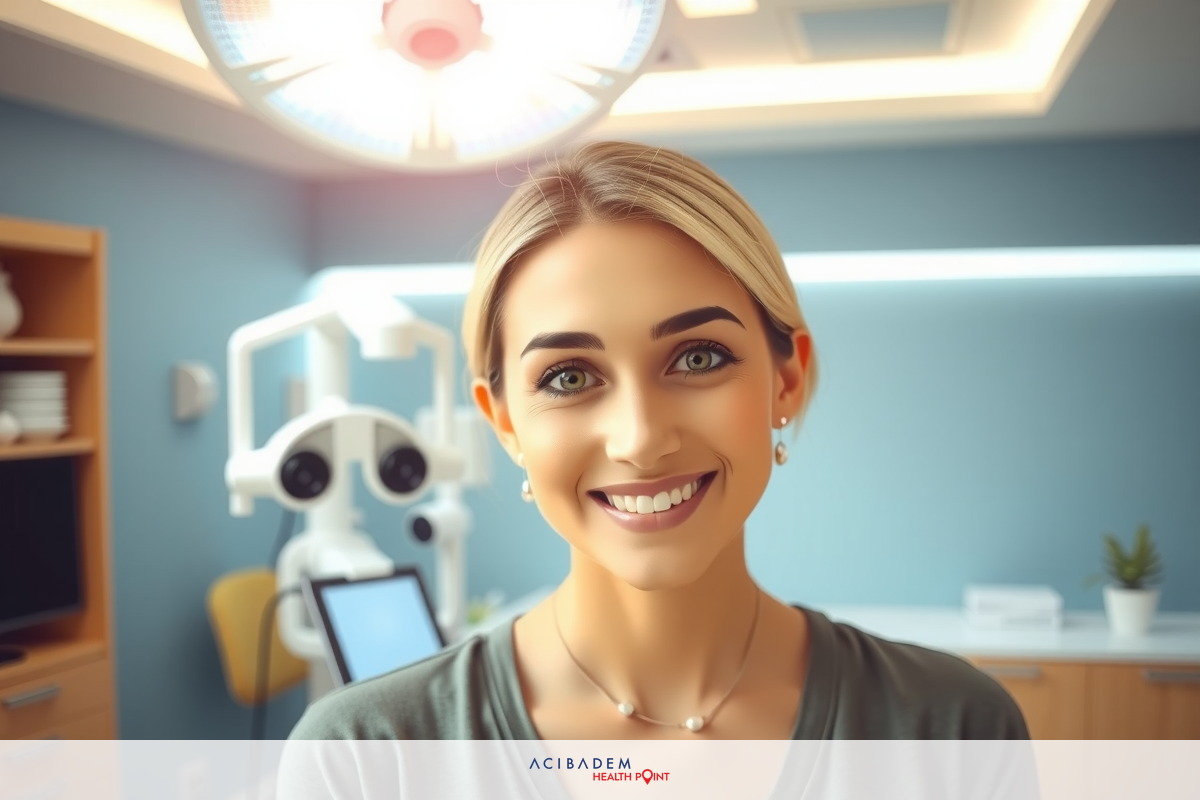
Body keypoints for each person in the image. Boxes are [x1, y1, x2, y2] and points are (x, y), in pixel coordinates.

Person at [288, 141, 1029, 741]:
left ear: (786, 380)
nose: (641, 440)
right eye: (570, 376)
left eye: (698, 358)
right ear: (504, 420)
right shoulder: (366, 754)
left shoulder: (954, 728)